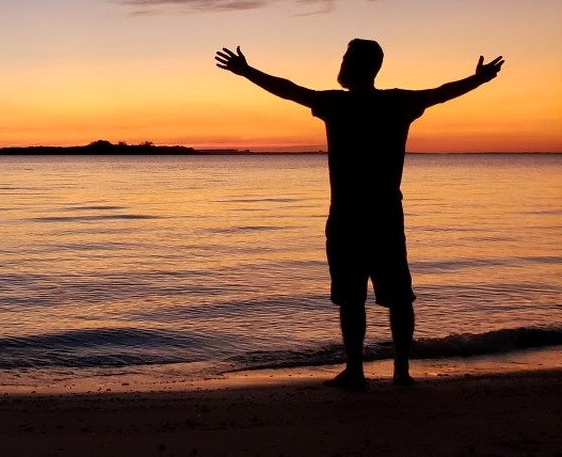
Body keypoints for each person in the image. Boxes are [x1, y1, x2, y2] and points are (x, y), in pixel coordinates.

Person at [214, 39, 504, 388]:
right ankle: (398, 370)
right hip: (383, 215)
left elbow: (289, 90)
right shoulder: (396, 102)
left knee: (358, 297)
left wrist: (246, 72)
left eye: (346, 57)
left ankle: (359, 370)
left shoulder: (337, 104)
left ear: (355, 65)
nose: (342, 62)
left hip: (350, 216)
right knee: (393, 296)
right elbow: (442, 92)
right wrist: (479, 80)